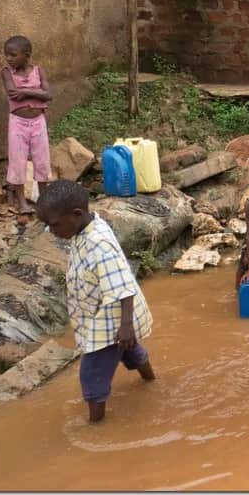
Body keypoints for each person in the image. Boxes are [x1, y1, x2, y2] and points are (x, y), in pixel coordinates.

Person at [36, 180, 156, 422]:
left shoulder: (98, 244)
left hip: (110, 319)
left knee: (92, 376)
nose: (51, 231)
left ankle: (95, 425)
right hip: (104, 312)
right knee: (130, 350)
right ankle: (151, 382)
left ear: (76, 215)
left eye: (54, 224)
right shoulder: (86, 228)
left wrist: (125, 326)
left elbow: (122, 285)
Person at [1, 35, 52, 215]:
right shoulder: (7, 72)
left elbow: (48, 94)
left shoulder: (39, 71)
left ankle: (44, 200)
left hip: (38, 122)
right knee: (17, 161)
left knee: (42, 160)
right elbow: (13, 93)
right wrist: (36, 92)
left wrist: (26, 92)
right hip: (18, 123)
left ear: (27, 55)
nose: (8, 58)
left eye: (13, 55)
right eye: (6, 55)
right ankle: (22, 203)